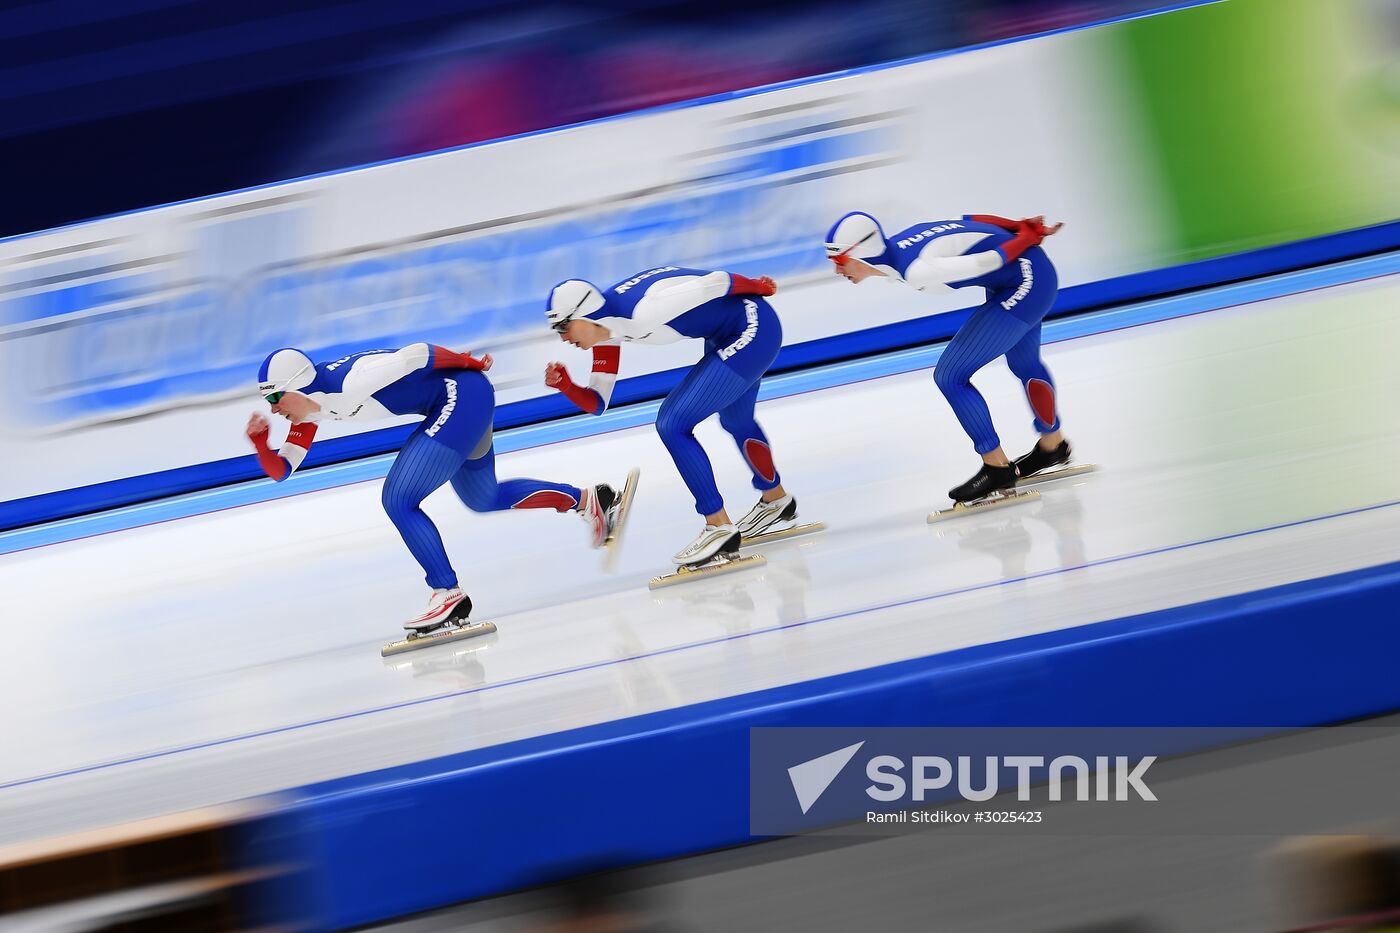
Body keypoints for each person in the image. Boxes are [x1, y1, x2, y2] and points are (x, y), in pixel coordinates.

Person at [246, 342, 629, 632]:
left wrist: (470, 363)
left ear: (297, 386)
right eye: (269, 401)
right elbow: (282, 469)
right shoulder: (310, 409)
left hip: (460, 394)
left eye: (276, 398)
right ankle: (591, 501)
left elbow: (414, 355)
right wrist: (262, 445)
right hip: (464, 398)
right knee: (483, 496)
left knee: (398, 499)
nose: (274, 408)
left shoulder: (346, 384)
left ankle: (447, 593)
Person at [542, 266, 797, 567]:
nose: (562, 338)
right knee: (735, 420)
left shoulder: (643, 312)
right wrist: (566, 385)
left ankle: (718, 526)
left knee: (672, 423)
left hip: (752, 328)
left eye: (563, 327)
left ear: (583, 315)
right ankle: (776, 501)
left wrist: (757, 285)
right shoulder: (607, 329)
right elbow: (598, 402)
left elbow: (715, 282)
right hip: (728, 333)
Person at [824, 210, 1072, 502]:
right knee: (1024, 363)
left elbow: (990, 260)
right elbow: (970, 219)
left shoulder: (917, 270)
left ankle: (997, 467)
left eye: (840, 261)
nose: (837, 271)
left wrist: (1026, 235)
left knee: (950, 376)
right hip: (1023, 275)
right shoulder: (903, 241)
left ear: (861, 252)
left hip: (1026, 282)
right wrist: (1018, 227)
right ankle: (1052, 447)